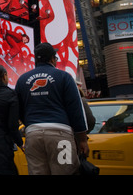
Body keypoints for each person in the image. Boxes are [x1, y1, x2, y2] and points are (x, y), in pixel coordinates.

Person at [15, 42, 89, 175]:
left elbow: (18, 110)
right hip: (61, 137)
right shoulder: (64, 77)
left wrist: (30, 125)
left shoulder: (22, 80)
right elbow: (76, 110)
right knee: (66, 171)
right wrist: (82, 139)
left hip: (33, 136)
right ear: (52, 59)